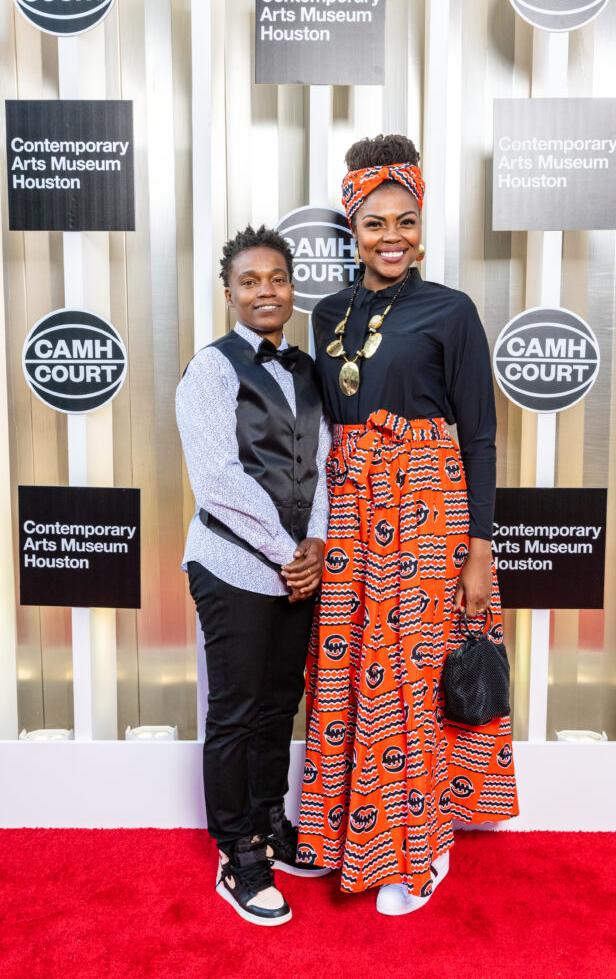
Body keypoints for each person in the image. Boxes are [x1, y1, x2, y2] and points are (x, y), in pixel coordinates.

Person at [298, 135, 519, 916]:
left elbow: (480, 436)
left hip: (428, 508)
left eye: (406, 220)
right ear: (351, 230)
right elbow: (326, 424)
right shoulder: (328, 312)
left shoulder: (450, 311)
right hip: (353, 509)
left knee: (407, 677)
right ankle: (341, 835)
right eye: (373, 223)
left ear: (421, 225)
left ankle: (421, 849)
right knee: (351, 666)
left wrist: (479, 550)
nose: (391, 236)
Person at [176, 224, 331, 927]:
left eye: (276, 278)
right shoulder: (210, 368)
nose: (265, 291)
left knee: (278, 705)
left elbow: (324, 462)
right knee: (236, 714)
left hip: (299, 567)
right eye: (249, 281)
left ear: (291, 286)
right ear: (230, 292)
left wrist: (318, 543)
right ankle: (237, 851)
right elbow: (217, 479)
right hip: (235, 564)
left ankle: (269, 821)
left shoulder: (306, 369)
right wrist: (283, 549)